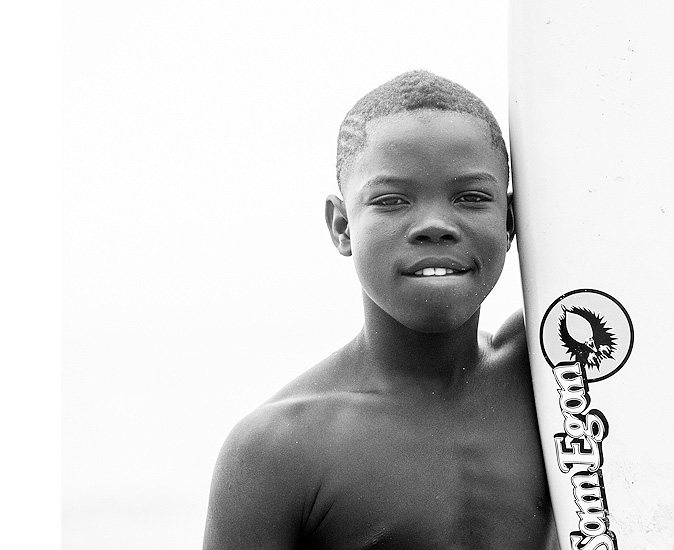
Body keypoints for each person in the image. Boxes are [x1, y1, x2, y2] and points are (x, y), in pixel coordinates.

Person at [202, 70, 555, 549]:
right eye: (392, 201)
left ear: (511, 221)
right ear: (343, 226)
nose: (434, 225)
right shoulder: (276, 451)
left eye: (471, 198)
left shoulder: (556, 376)